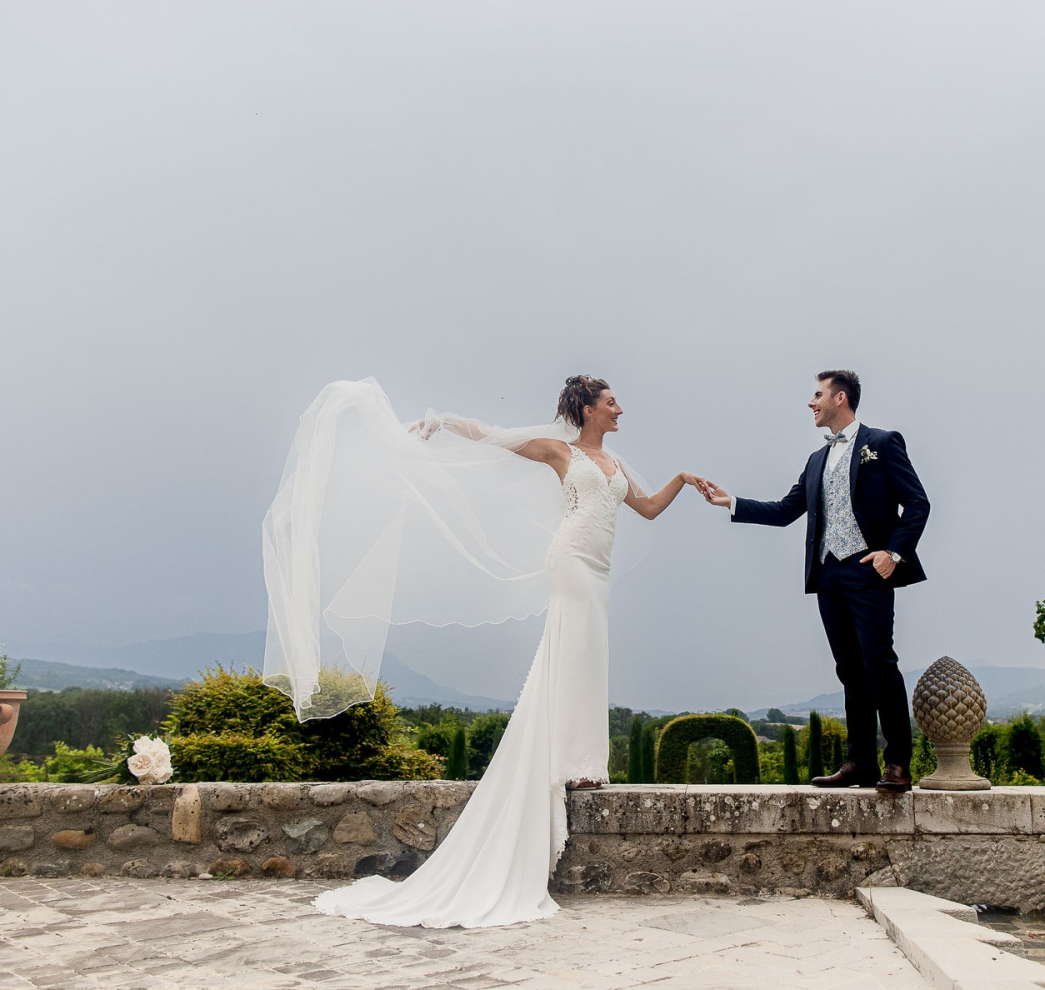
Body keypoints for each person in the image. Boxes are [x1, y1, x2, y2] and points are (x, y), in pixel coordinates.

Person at [261, 375, 709, 927]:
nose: (620, 408)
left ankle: (583, 762)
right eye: (611, 401)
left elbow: (646, 508)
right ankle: (572, 763)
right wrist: (444, 421)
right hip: (569, 561)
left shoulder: (614, 463)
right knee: (572, 651)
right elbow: (495, 436)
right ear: (588, 409)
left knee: (589, 655)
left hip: (600, 569)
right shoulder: (558, 450)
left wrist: (684, 480)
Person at [702, 370, 929, 793]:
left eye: (817, 394)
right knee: (850, 670)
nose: (811, 402)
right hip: (828, 573)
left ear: (840, 398)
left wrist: (892, 553)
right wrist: (731, 502)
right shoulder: (816, 460)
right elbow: (787, 510)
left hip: (868, 567)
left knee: (879, 660)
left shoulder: (881, 443)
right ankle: (859, 763)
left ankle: (897, 762)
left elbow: (918, 503)